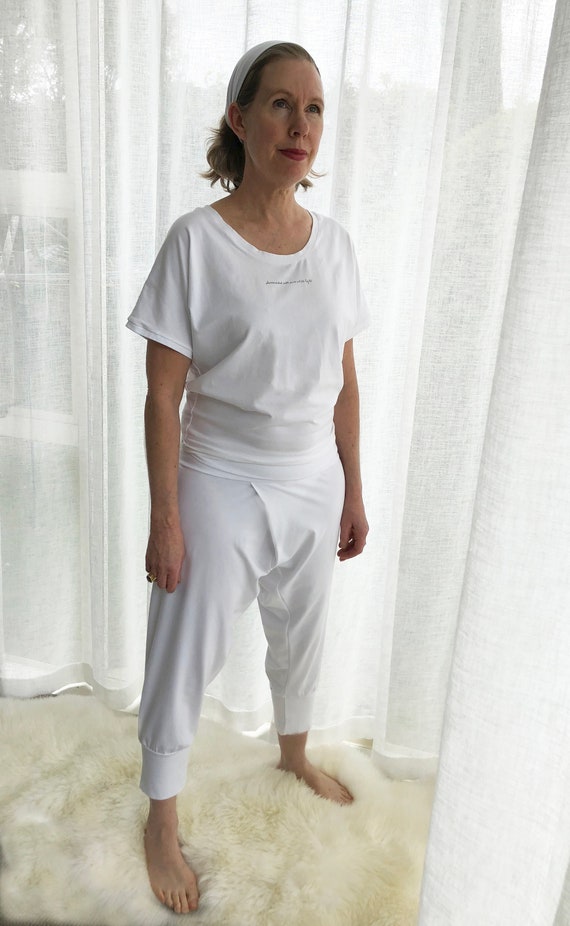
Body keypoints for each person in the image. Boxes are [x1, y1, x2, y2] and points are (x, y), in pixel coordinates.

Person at [127, 40, 370, 916]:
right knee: (184, 641)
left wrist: (354, 486)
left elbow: (345, 380)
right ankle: (160, 816)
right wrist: (165, 518)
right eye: (280, 104)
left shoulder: (334, 247)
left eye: (314, 109)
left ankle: (293, 752)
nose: (300, 125)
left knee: (302, 630)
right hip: (218, 471)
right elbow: (162, 394)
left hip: (312, 475)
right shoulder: (195, 242)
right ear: (239, 118)